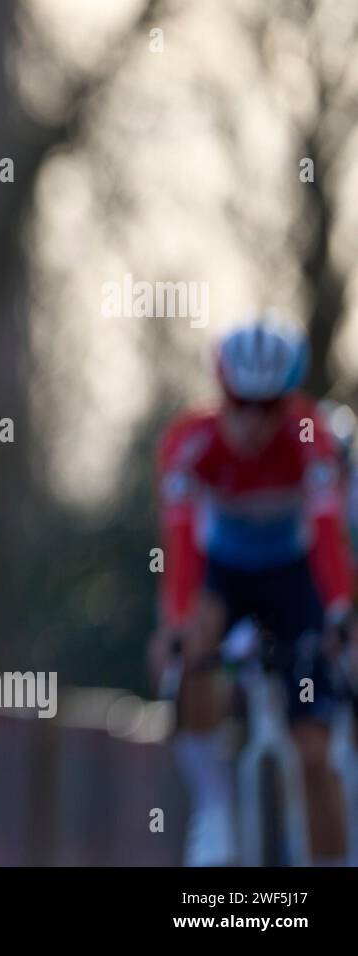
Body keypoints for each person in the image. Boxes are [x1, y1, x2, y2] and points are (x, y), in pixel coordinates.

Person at [150, 316, 355, 866]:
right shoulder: (189, 440)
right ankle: (213, 811)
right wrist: (174, 622)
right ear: (222, 394)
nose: (253, 422)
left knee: (314, 753)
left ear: (288, 402)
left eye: (269, 408)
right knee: (194, 644)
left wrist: (340, 613)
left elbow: (329, 534)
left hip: (295, 578)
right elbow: (182, 540)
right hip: (225, 574)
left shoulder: (311, 434)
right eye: (240, 403)